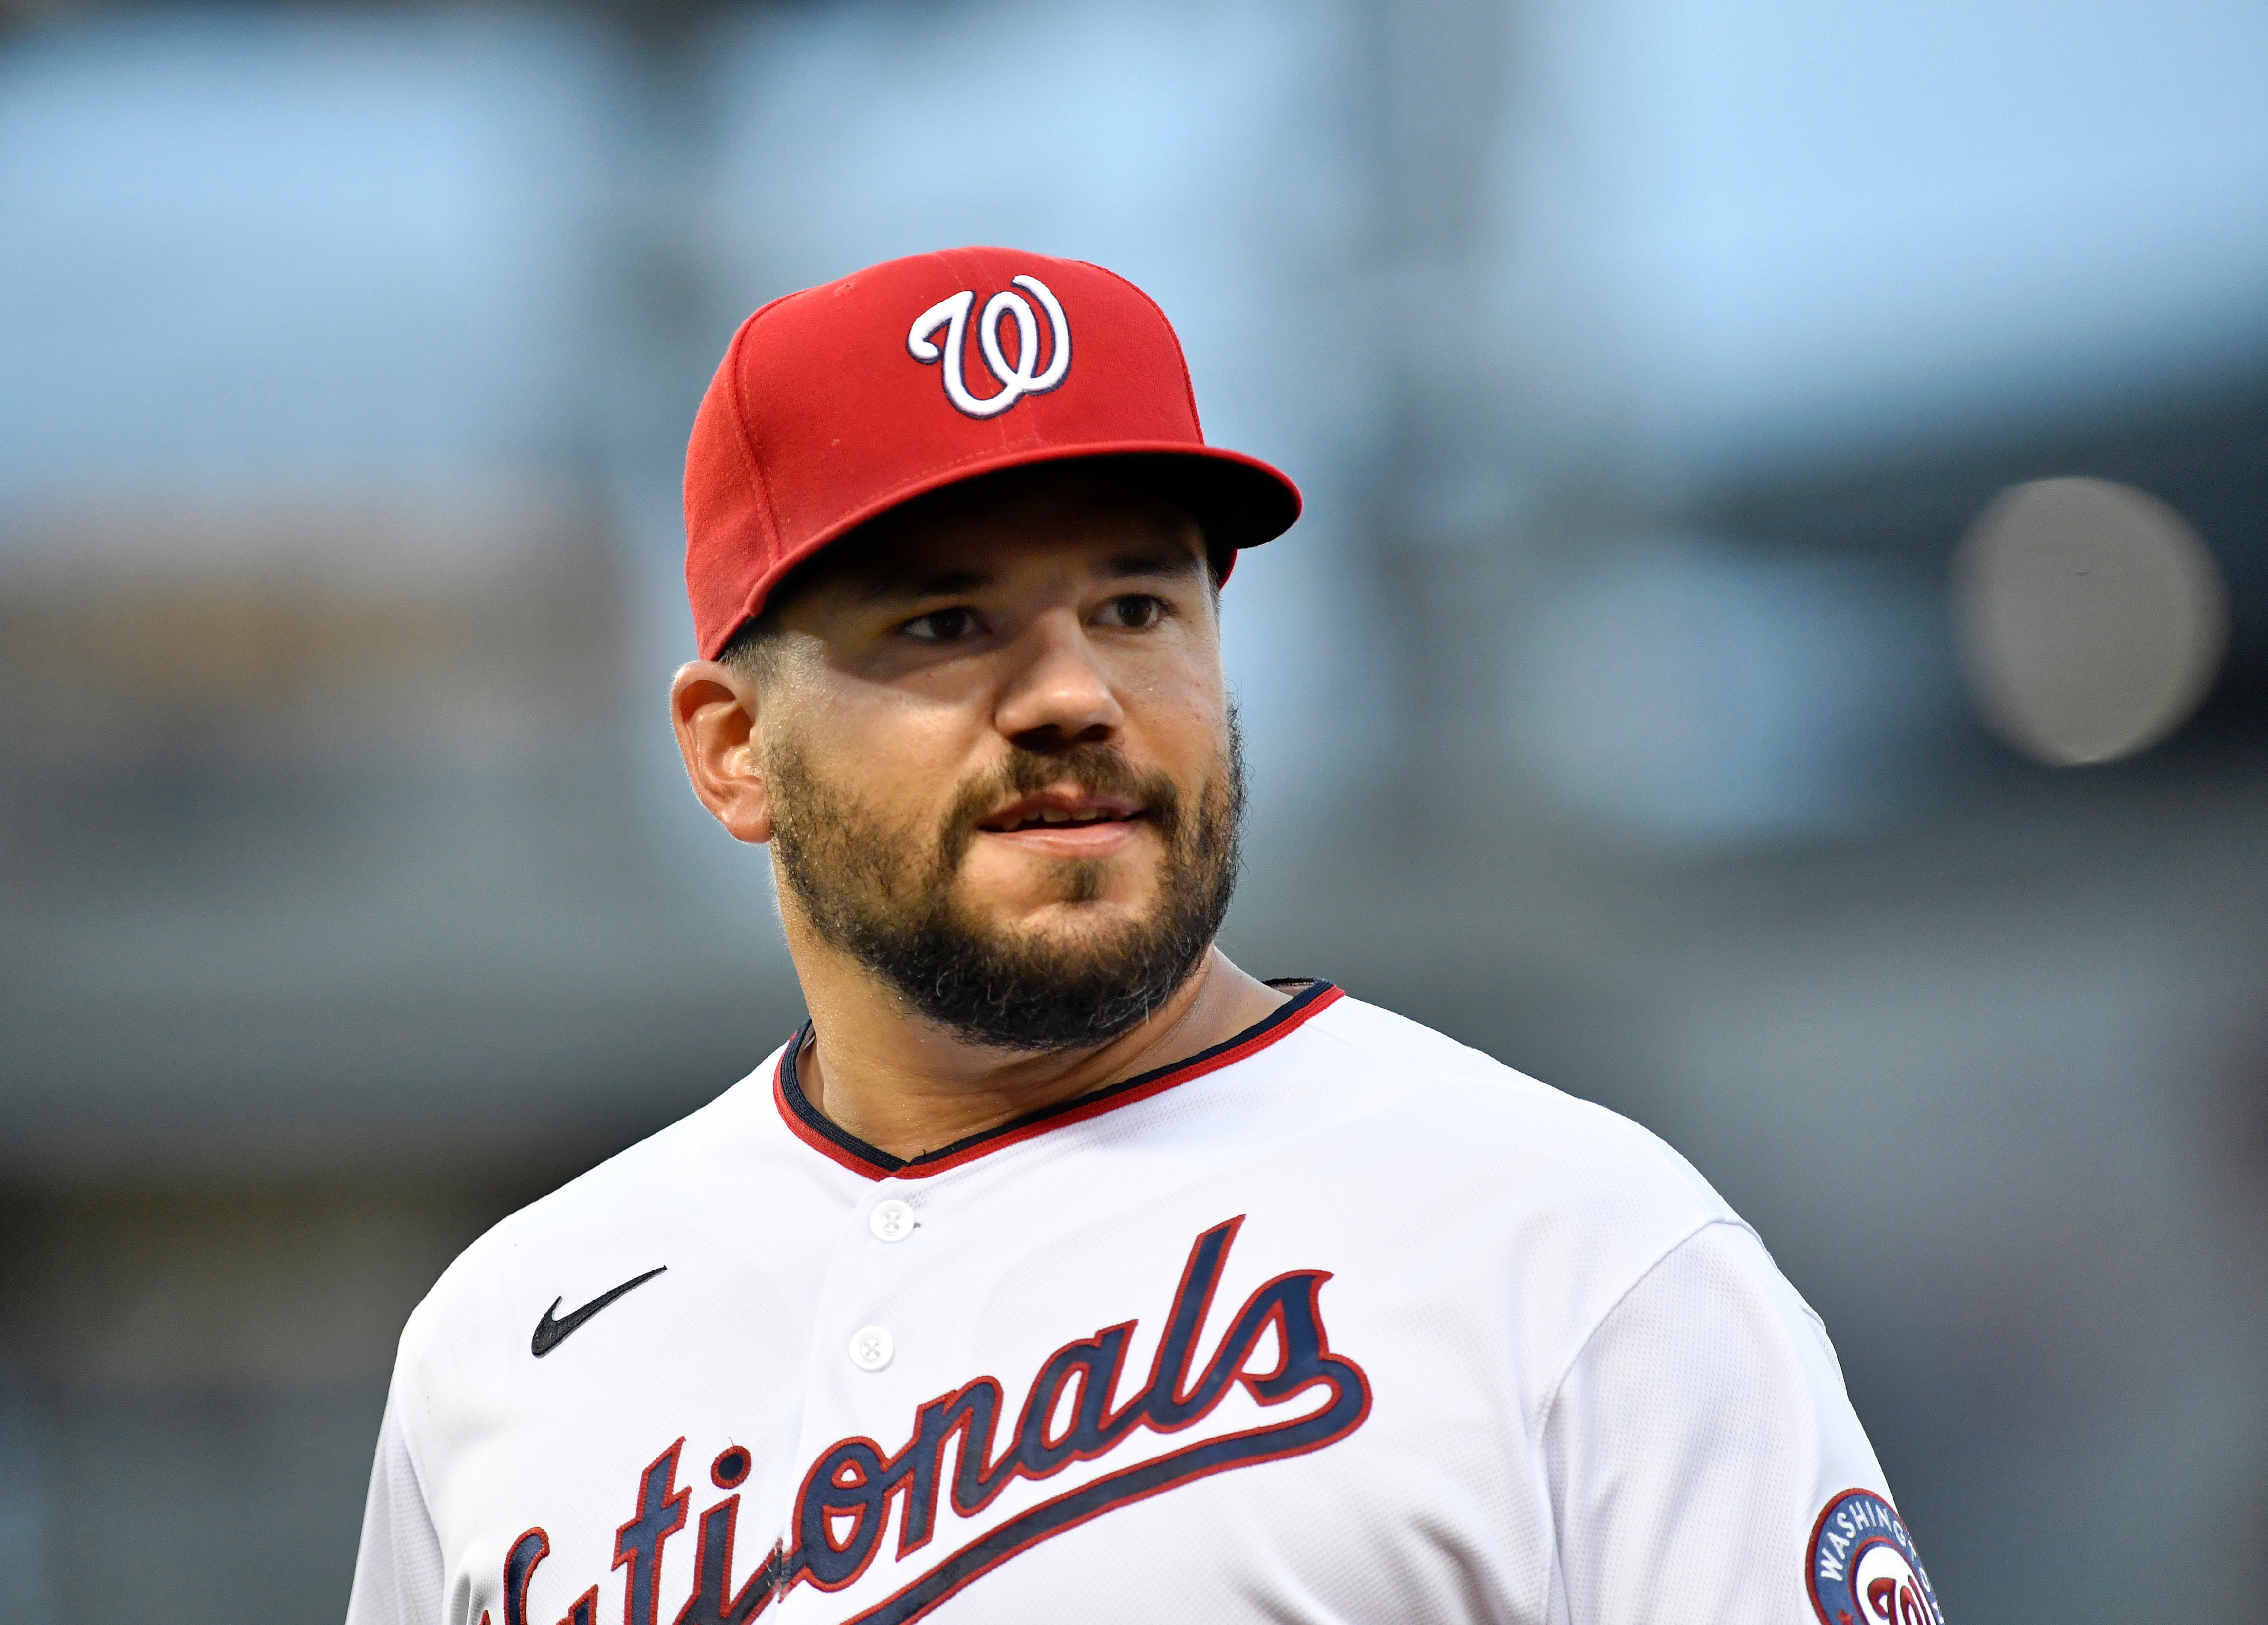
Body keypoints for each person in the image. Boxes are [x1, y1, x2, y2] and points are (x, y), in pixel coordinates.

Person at [346, 248, 1939, 1625]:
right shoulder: (506, 1347)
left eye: (1136, 605)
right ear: (730, 748)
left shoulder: (1578, 1246)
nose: (1071, 695)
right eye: (946, 621)